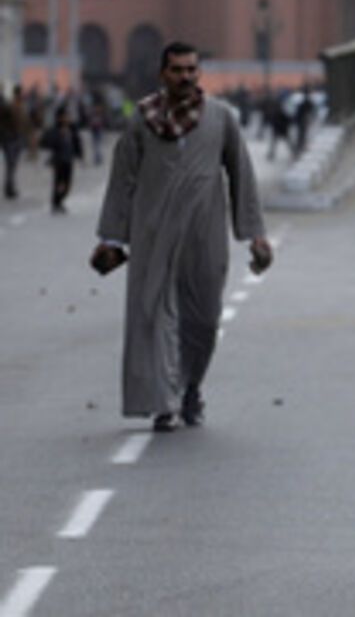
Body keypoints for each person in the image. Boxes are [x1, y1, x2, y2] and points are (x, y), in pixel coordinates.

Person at [90, 42, 273, 431]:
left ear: (199, 73)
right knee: (157, 318)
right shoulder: (142, 120)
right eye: (177, 70)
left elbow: (242, 174)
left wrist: (254, 234)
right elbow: (122, 181)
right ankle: (165, 401)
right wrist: (112, 239)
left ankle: (190, 387)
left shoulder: (221, 118)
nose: (185, 76)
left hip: (204, 236)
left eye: (191, 69)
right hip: (152, 234)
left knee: (203, 320)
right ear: (163, 75)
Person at [40, 106, 84, 214]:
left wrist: (80, 155)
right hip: (58, 160)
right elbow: (45, 142)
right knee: (58, 182)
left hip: (68, 160)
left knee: (67, 184)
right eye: (64, 116)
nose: (66, 118)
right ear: (59, 118)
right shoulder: (54, 129)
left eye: (67, 116)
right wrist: (58, 136)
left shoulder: (72, 128)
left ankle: (60, 200)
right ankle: (56, 203)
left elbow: (77, 142)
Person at [1, 86, 29, 199]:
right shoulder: (9, 106)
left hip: (18, 138)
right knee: (10, 164)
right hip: (9, 139)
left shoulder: (21, 106)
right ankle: (9, 189)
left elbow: (24, 122)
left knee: (13, 165)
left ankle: (10, 187)